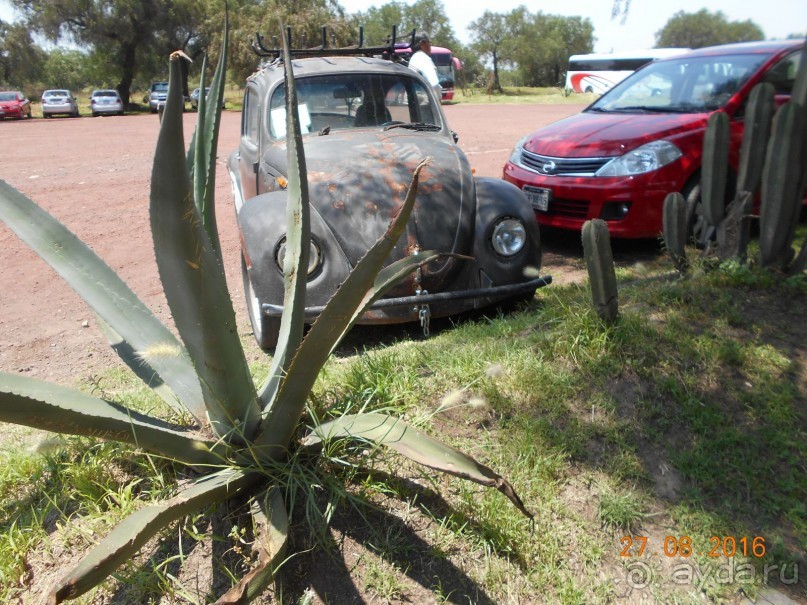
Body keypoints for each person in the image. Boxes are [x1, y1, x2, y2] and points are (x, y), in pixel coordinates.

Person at [407, 31, 442, 99]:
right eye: (428, 42)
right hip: (426, 103)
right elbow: (434, 84)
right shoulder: (423, 59)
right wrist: (438, 101)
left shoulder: (413, 59)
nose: (430, 45)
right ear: (422, 44)